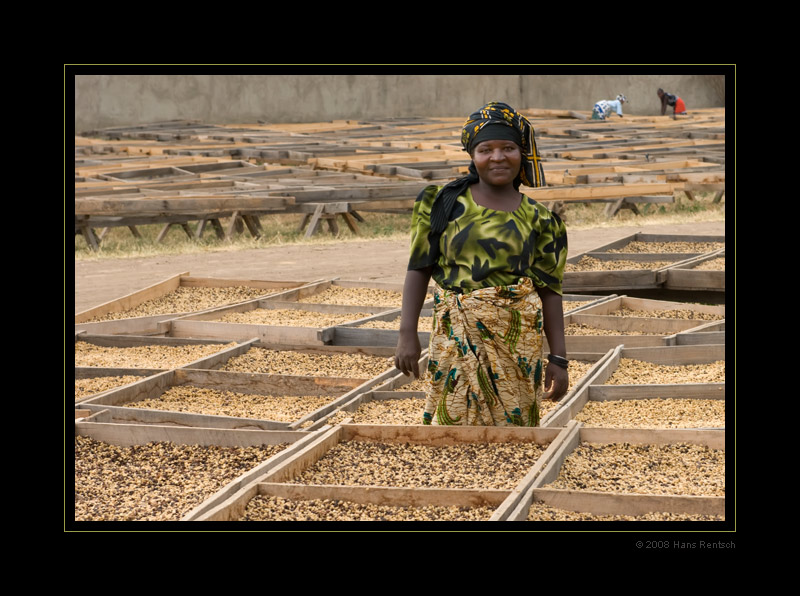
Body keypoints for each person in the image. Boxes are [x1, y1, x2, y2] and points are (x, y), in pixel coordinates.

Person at [394, 101, 569, 427]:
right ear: (472, 156)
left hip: (515, 345)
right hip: (454, 339)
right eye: (486, 149)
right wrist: (407, 333)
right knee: (451, 425)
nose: (498, 157)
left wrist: (558, 359)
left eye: (508, 148)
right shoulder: (440, 202)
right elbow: (419, 267)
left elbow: (551, 292)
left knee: (514, 430)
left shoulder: (543, 220)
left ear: (522, 154)